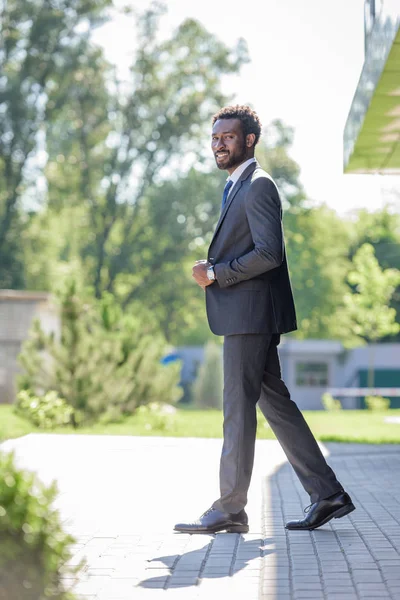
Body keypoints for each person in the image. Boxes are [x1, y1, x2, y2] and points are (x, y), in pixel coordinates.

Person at [174, 105, 355, 534]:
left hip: (249, 316)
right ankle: (327, 494)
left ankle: (230, 508)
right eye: (215, 137)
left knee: (237, 409)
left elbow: (270, 253)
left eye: (228, 137)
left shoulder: (258, 186)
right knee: (277, 406)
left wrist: (216, 272)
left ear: (249, 139)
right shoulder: (237, 186)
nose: (219, 143)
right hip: (247, 314)